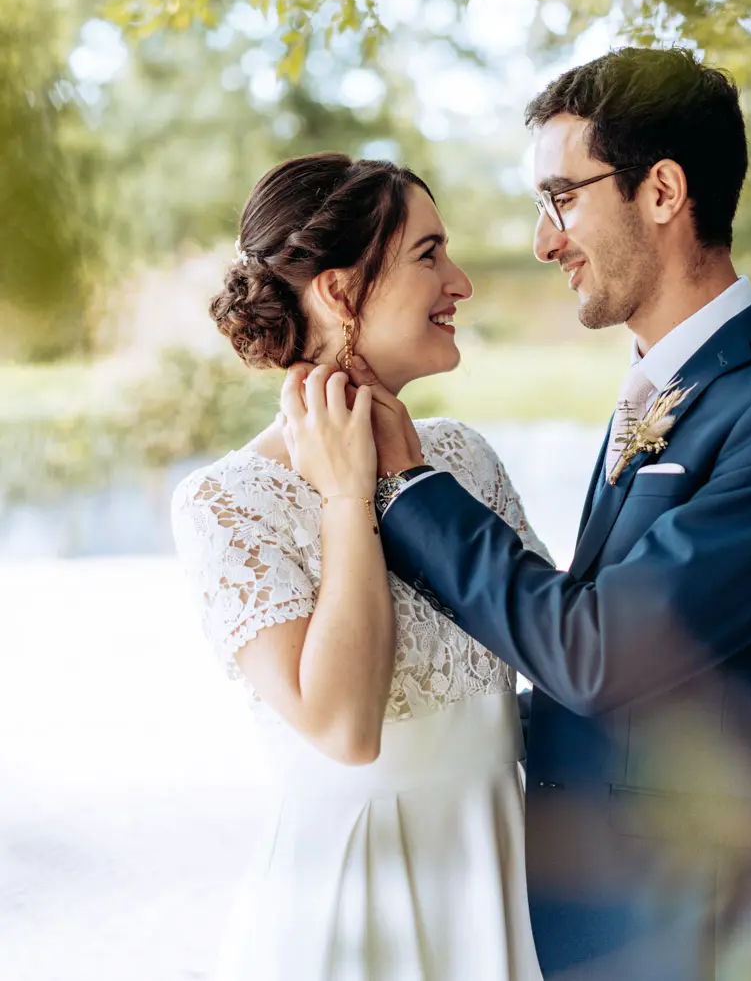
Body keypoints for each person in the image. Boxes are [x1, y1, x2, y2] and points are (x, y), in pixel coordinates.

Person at [284, 49, 751, 981]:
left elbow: (600, 650)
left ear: (663, 192)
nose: (543, 239)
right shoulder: (666, 384)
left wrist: (406, 487)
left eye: (561, 197)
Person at [171, 152, 548, 981]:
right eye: (427, 253)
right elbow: (343, 728)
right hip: (356, 916)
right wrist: (347, 501)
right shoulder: (228, 504)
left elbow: (560, 652)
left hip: (508, 888)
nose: (460, 282)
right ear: (340, 292)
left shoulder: (461, 460)